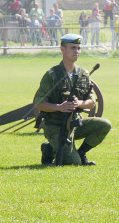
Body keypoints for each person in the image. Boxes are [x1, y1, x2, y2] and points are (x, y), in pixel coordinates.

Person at [34, 34, 112, 166]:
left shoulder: (83, 74)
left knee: (104, 125)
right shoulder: (52, 75)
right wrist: (59, 107)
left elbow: (92, 102)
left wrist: (80, 103)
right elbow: (39, 104)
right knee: (73, 163)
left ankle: (81, 153)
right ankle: (49, 149)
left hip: (75, 124)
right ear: (62, 49)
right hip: (55, 126)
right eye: (72, 48)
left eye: (78, 48)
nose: (76, 51)